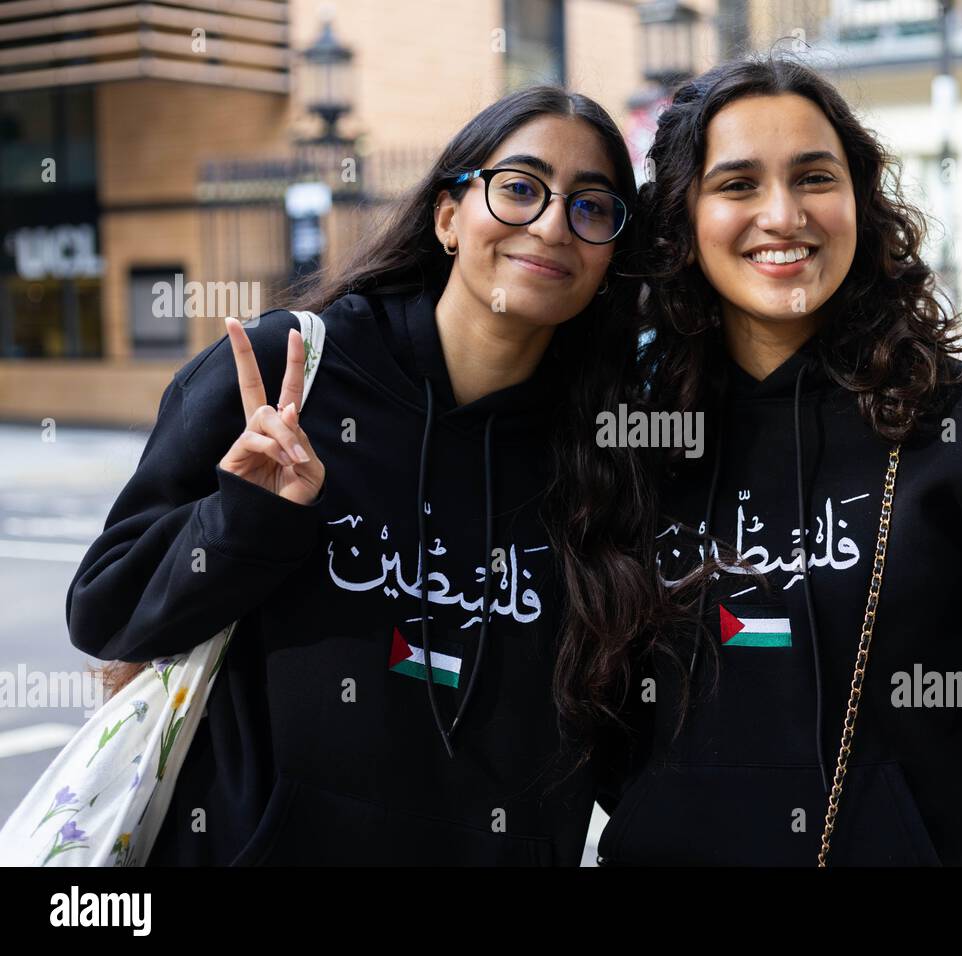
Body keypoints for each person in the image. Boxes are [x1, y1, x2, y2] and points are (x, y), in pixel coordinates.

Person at [66, 86, 658, 865]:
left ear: (612, 252)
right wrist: (244, 520)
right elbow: (106, 612)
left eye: (591, 207)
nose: (552, 224)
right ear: (449, 215)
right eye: (519, 188)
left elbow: (621, 741)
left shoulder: (604, 451)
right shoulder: (292, 374)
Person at [596, 56, 962, 866]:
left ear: (858, 199)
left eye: (814, 177)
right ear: (683, 216)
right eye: (739, 184)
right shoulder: (630, 432)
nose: (783, 215)